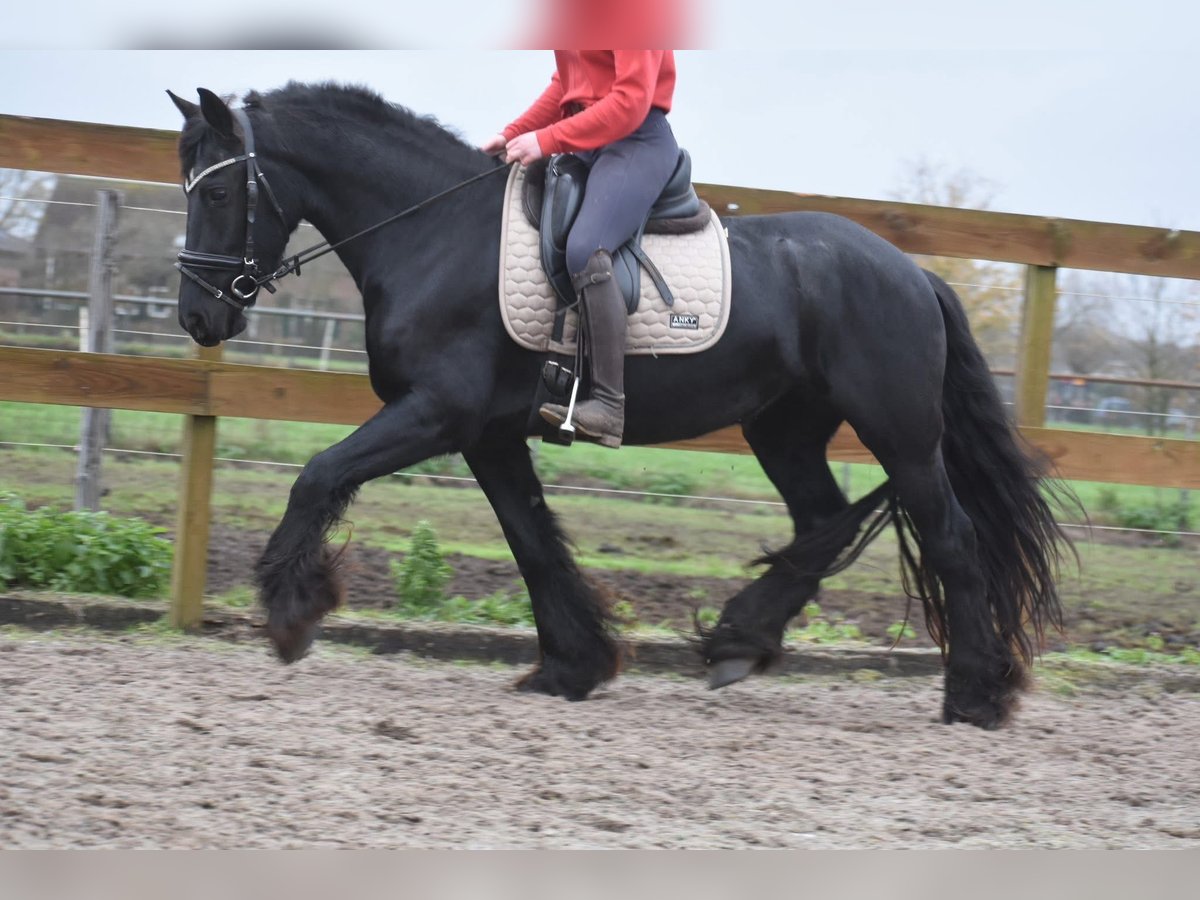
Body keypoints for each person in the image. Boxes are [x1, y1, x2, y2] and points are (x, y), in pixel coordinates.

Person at [482, 51, 680, 449]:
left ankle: (609, 405)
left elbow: (630, 102)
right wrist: (515, 132)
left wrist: (546, 138)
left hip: (636, 140)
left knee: (587, 247)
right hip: (588, 141)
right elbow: (566, 82)